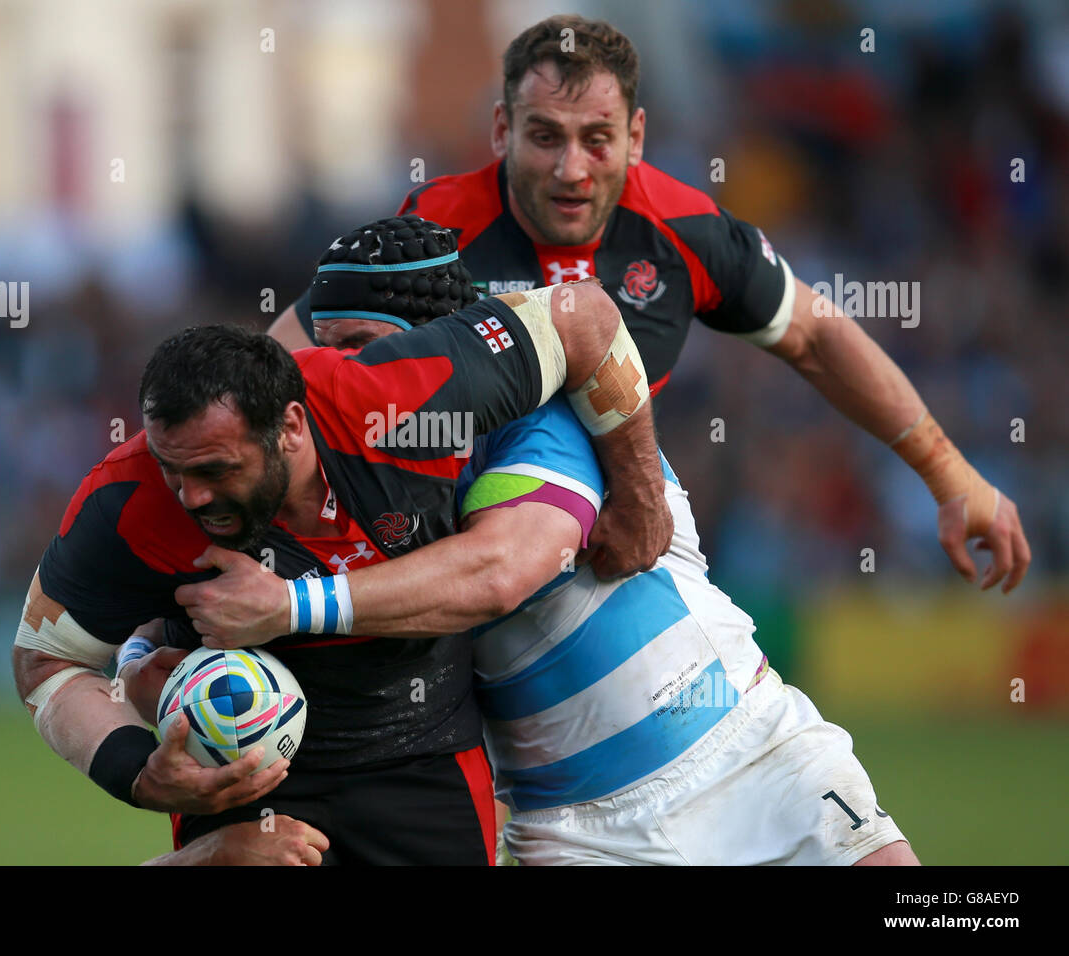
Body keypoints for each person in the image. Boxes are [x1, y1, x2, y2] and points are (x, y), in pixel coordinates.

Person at [181, 216, 915, 865]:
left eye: (366, 349)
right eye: (330, 352)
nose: (345, 378)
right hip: (574, 831)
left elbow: (503, 569)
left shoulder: (548, 418)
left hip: (748, 753)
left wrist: (290, 605)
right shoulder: (341, 479)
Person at [268, 13, 1030, 593]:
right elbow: (290, 360)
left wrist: (951, 475)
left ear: (635, 136)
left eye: (597, 138)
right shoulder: (431, 228)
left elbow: (820, 337)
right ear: (501, 132)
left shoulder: (686, 230)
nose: (572, 167)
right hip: (454, 559)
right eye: (545, 136)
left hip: (619, 546)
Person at [11, 219, 664, 865]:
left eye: (216, 471)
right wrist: (139, 774)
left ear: (291, 428)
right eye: (171, 468)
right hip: (240, 783)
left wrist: (638, 494)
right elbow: (44, 661)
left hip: (423, 760)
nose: (191, 497)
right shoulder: (127, 497)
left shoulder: (397, 401)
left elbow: (585, 316)